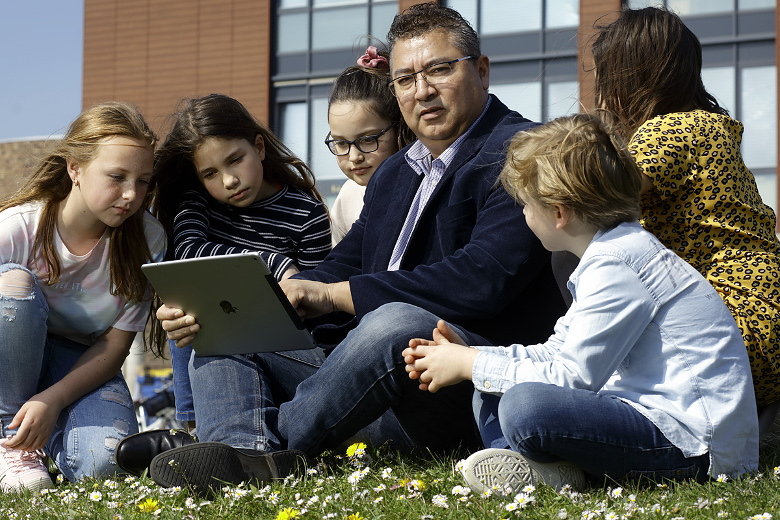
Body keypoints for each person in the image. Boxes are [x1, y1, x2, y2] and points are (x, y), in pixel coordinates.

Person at [146, 3, 566, 494]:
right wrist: (269, 297)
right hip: (362, 380)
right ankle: (246, 462)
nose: (422, 90)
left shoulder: (523, 151)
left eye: (439, 69)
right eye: (405, 78)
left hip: (455, 383)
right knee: (226, 327)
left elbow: (480, 281)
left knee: (396, 321)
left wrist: (334, 296)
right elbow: (344, 262)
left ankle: (260, 449)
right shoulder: (397, 170)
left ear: (482, 69)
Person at [403, 114, 758, 496]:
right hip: (653, 420)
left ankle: (544, 471)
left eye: (524, 204)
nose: (522, 214)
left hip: (696, 445)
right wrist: (471, 356)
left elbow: (571, 377)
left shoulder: (620, 261)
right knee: (491, 388)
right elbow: (556, 352)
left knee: (524, 405)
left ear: (558, 213)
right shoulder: (611, 254)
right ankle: (542, 472)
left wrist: (470, 363)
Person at [115, 94, 331, 476]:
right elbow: (191, 251)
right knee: (199, 313)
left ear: (259, 147)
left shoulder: (306, 213)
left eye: (235, 160)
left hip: (297, 365)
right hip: (220, 363)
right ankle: (215, 440)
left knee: (221, 334)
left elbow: (321, 309)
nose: (229, 181)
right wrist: (276, 265)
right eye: (210, 173)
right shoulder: (196, 206)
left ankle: (219, 447)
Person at [592, 7, 780, 414]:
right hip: (763, 321)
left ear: (631, 78)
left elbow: (599, 188)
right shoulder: (709, 125)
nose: (601, 97)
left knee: (575, 242)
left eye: (604, 79)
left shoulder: (670, 128)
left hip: (732, 334)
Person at [0, 102, 166, 492]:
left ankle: (44, 440)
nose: (131, 194)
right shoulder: (16, 229)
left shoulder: (148, 238)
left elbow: (114, 347)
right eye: (116, 176)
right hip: (8, 357)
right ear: (75, 168)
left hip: (79, 361)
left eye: (142, 181)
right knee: (13, 285)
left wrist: (52, 400)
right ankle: (10, 441)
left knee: (105, 465)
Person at [326, 45, 415, 245]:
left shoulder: (422, 187)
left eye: (367, 139)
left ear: (399, 130)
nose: (354, 157)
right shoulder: (347, 197)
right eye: (340, 143)